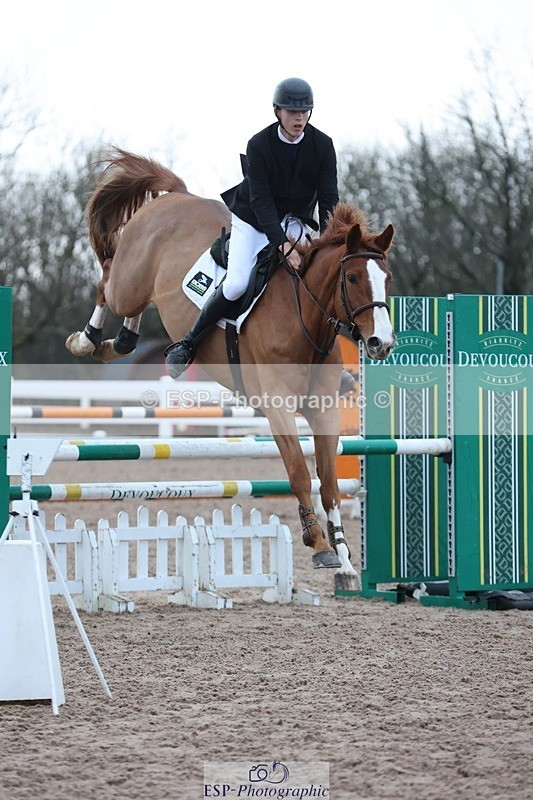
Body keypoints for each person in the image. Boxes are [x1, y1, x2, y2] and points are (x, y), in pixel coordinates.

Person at [165, 77, 339, 378]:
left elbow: (329, 200)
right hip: (253, 219)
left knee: (322, 277)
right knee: (236, 284)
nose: (299, 118)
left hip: (294, 221)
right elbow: (261, 202)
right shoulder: (259, 145)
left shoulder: (323, 145)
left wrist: (328, 241)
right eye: (291, 112)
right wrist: (282, 245)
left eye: (304, 112)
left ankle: (329, 359)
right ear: (277, 111)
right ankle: (189, 343)